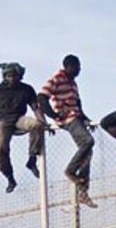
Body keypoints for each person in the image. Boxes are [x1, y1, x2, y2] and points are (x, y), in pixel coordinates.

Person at [0, 63, 46, 192]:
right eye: (9, 76)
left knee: (36, 125)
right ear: (4, 76)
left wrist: (43, 122)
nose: (12, 79)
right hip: (3, 121)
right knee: (0, 149)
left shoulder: (27, 89)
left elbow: (35, 107)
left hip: (19, 119)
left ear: (20, 76)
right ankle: (10, 178)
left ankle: (32, 159)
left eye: (14, 76)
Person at [40, 55, 97, 208]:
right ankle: (70, 171)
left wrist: (86, 119)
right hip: (67, 118)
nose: (79, 70)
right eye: (76, 67)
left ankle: (83, 192)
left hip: (76, 117)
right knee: (88, 141)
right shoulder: (57, 78)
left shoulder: (73, 83)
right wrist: (54, 115)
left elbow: (77, 103)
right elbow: (41, 97)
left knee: (87, 151)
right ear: (68, 67)